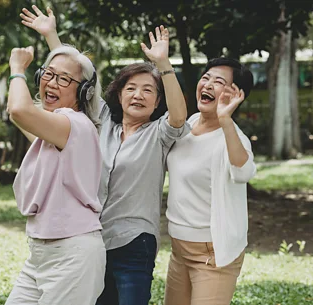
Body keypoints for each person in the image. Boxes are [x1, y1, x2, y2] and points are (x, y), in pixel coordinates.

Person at [20, 5, 188, 305]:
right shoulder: (102, 124)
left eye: (148, 91)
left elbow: (179, 115)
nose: (138, 95)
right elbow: (73, 79)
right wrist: (51, 36)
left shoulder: (160, 134)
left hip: (134, 242)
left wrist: (163, 64)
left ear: (157, 101)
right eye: (131, 88)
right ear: (119, 93)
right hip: (91, 238)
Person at [4, 41, 105, 304]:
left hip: (71, 253)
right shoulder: (53, 130)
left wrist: (16, 68)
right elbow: (16, 113)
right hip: (40, 253)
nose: (52, 82)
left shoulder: (74, 124)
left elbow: (20, 110)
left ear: (83, 92)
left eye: (64, 79)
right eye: (48, 74)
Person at [164, 58, 256, 305]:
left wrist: (225, 119)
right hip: (178, 249)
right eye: (206, 78)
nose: (208, 84)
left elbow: (244, 172)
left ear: (236, 94)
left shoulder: (234, 138)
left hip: (213, 254)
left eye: (219, 82)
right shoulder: (188, 123)